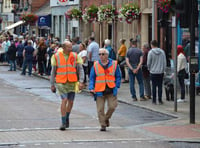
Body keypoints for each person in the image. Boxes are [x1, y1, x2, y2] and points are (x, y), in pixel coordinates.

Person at [50, 41, 84, 131]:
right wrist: (52, 84)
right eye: (69, 47)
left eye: (71, 47)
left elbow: (80, 69)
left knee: (71, 102)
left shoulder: (75, 56)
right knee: (64, 100)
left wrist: (81, 81)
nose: (71, 48)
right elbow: (53, 71)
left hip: (72, 82)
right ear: (64, 48)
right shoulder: (56, 56)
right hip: (61, 82)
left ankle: (67, 117)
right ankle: (63, 121)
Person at [89, 48, 121, 132]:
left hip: (111, 89)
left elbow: (118, 76)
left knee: (112, 106)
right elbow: (92, 77)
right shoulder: (95, 65)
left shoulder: (114, 64)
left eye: (103, 54)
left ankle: (106, 118)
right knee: (100, 109)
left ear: (107, 55)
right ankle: (103, 125)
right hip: (99, 90)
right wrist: (91, 88)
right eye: (99, 54)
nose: (101, 56)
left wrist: (117, 85)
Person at [147, 40, 166, 105]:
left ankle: (154, 100)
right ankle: (160, 100)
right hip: (161, 72)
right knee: (160, 86)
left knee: (154, 86)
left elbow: (148, 62)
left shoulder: (150, 52)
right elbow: (164, 62)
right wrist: (163, 70)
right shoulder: (162, 52)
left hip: (153, 72)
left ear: (151, 45)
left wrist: (149, 68)